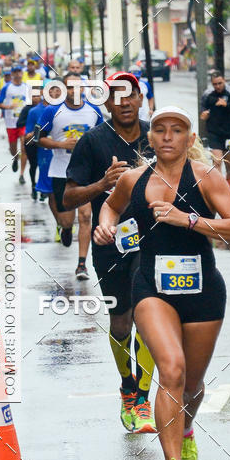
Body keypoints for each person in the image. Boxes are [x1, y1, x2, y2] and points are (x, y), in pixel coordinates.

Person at [94, 106, 230, 460]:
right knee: (171, 369)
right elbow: (111, 205)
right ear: (151, 137)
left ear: (189, 139)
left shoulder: (206, 178)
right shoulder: (134, 179)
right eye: (159, 129)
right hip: (151, 287)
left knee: (192, 384)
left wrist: (187, 219)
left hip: (203, 292)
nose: (167, 136)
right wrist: (106, 224)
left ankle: (188, 427)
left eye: (177, 130)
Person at [64, 73, 157, 432]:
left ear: (139, 97)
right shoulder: (92, 141)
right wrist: (102, 184)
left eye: (130, 94)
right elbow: (69, 197)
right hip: (110, 242)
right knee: (122, 319)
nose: (124, 102)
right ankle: (127, 387)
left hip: (153, 241)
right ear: (106, 102)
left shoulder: (157, 135)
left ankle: (144, 399)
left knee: (148, 316)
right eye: (115, 96)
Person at [37, 73, 102, 257]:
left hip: (86, 173)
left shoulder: (94, 111)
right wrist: (61, 144)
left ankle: (82, 263)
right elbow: (37, 138)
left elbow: (103, 136)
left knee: (85, 216)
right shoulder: (52, 111)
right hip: (61, 171)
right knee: (67, 221)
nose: (75, 91)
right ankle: (64, 229)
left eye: (78, 86)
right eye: (70, 87)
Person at [200, 70, 230, 190]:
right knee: (217, 161)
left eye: (220, 83)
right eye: (215, 84)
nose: (218, 86)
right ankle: (219, 188)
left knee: (228, 161)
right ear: (212, 84)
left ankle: (229, 176)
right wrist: (203, 115)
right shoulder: (207, 94)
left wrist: (227, 105)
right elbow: (202, 110)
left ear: (224, 80)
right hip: (214, 133)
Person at [0, 64, 28, 182]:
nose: (17, 74)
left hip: (23, 122)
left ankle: (21, 174)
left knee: (24, 147)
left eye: (19, 71)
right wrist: (8, 107)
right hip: (10, 122)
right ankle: (15, 159)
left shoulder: (26, 87)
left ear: (22, 73)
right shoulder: (6, 87)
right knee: (13, 149)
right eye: (15, 72)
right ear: (12, 74)